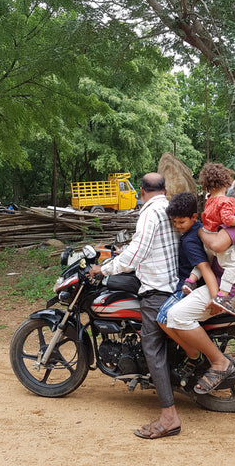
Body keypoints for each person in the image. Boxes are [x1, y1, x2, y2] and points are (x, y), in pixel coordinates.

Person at [165, 162, 235, 395]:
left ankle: (218, 362)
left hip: (232, 287)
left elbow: (216, 243)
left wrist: (199, 228)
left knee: (174, 316)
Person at [88, 173, 181, 440]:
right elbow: (144, 247)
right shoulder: (168, 206)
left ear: (141, 192)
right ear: (163, 189)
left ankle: (169, 417)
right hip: (173, 280)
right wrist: (119, 251)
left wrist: (104, 269)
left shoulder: (149, 213)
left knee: (151, 347)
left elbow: (137, 253)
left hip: (158, 289)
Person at [156, 192, 219, 380]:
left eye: (181, 222)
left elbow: (204, 268)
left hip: (190, 286)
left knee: (162, 317)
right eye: (174, 222)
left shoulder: (191, 239)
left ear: (194, 217)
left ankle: (193, 354)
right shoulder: (196, 229)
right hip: (187, 282)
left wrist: (216, 297)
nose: (177, 226)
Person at [184, 162, 235, 316]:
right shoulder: (227, 201)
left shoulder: (209, 199)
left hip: (206, 240)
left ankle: (190, 281)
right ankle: (222, 296)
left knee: (207, 264)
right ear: (226, 182)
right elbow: (228, 219)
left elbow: (219, 211)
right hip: (217, 240)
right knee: (231, 266)